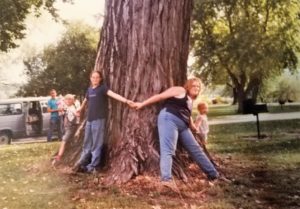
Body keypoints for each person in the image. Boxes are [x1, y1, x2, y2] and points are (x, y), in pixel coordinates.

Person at [133, 78, 219, 183]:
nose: (196, 88)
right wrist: (141, 104)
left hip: (183, 125)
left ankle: (213, 174)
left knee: (196, 149)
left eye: (198, 86)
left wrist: (193, 126)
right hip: (169, 118)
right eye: (194, 85)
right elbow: (160, 96)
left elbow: (187, 114)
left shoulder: (190, 101)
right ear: (188, 86)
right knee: (168, 149)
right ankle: (166, 181)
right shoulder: (180, 90)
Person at [74, 70, 134, 173]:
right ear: (90, 78)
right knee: (87, 143)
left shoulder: (102, 88)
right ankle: (81, 164)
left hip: (98, 120)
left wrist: (126, 101)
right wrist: (80, 109)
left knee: (97, 144)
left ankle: (93, 166)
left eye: (97, 77)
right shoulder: (89, 90)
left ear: (100, 79)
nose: (95, 79)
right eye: (93, 77)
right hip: (89, 120)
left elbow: (113, 94)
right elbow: (86, 100)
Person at [52, 94, 78, 166]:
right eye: (66, 100)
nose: (67, 101)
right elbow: (60, 102)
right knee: (67, 141)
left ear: (72, 101)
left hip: (71, 127)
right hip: (67, 127)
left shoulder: (72, 108)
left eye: (69, 100)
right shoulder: (68, 107)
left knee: (64, 141)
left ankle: (59, 156)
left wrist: (77, 113)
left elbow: (76, 114)